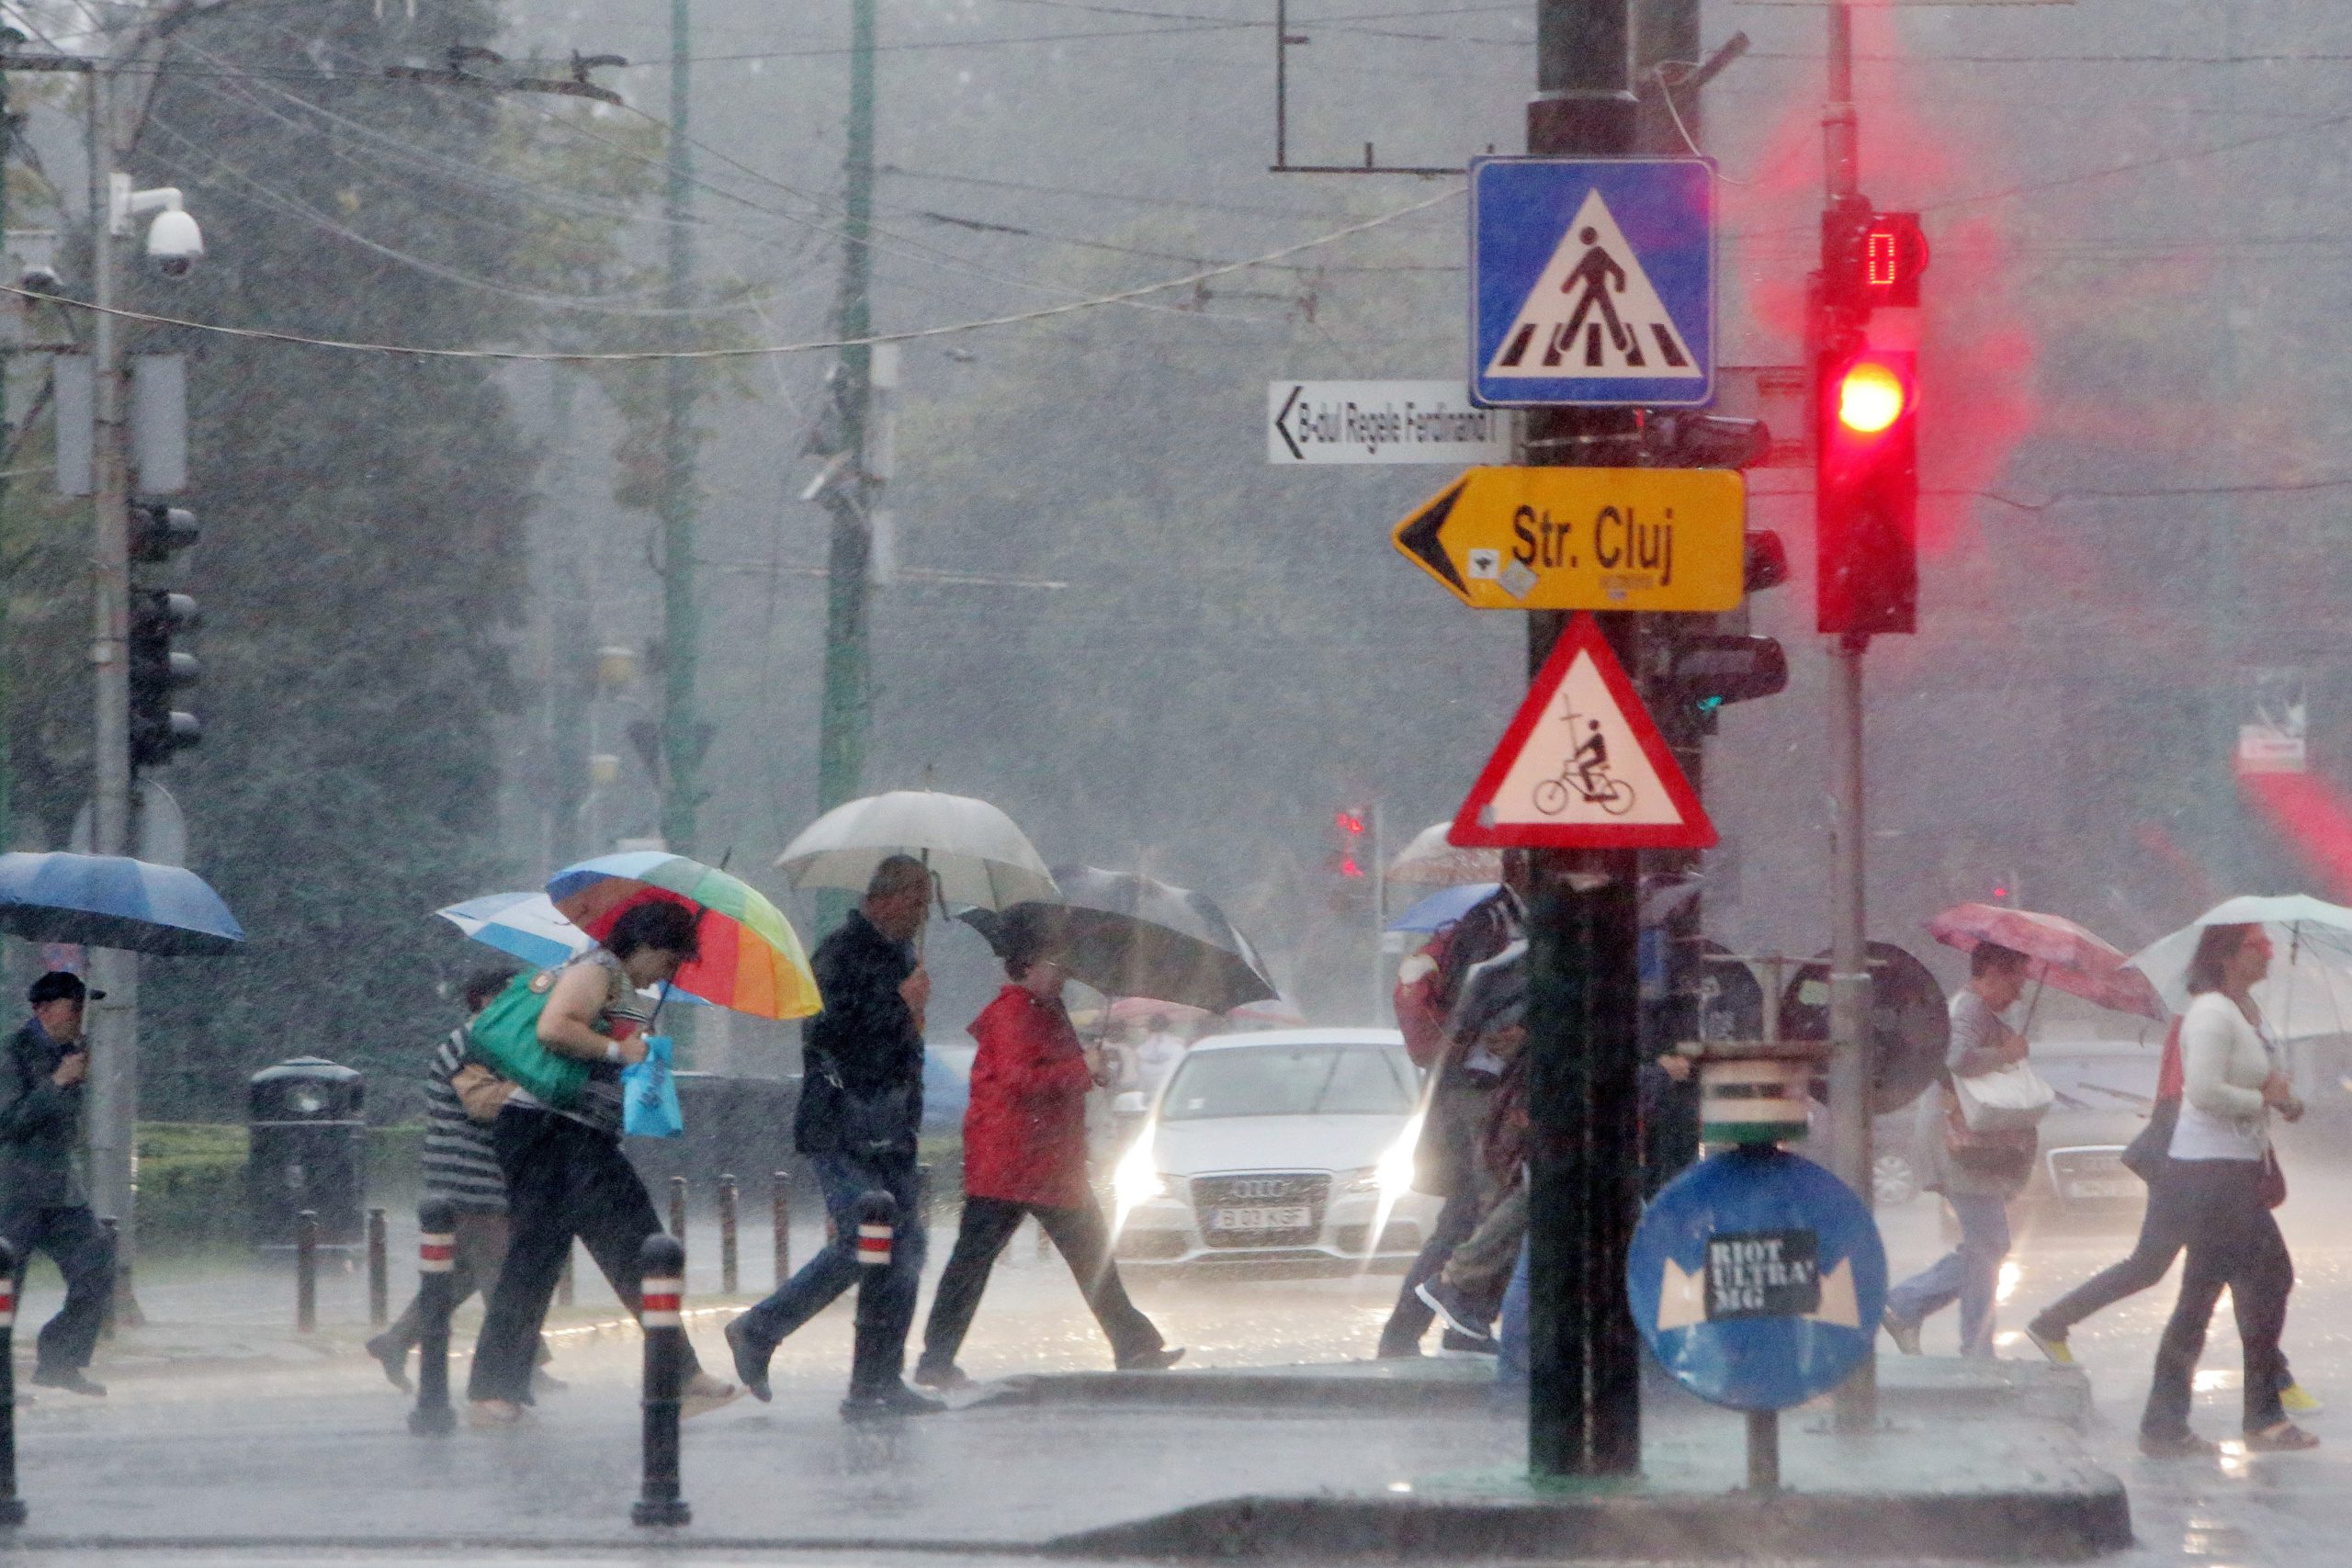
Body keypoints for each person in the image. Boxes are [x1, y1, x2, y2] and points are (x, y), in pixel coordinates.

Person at [465, 901, 736, 1427]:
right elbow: (554, 1028)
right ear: (650, 946)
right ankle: (492, 1390)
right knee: (543, 1257)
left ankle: (680, 1376)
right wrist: (620, 1054)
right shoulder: (597, 970)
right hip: (549, 1131)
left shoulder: (619, 984)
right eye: (669, 961)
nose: (666, 974)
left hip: (579, 1134)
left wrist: (636, 1054)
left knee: (636, 1251)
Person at [913, 914, 1182, 1388]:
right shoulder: (1015, 1013)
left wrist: (1087, 1070)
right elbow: (1021, 1081)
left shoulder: (1043, 1008)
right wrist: (1081, 1068)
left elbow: (1048, 1073)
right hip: (1016, 1162)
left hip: (1037, 1160)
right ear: (1029, 966)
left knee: (1010, 1259)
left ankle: (1134, 1344)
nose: (1065, 976)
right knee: (993, 1262)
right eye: (1057, 966)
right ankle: (1133, 1345)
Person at [727, 855, 944, 1419]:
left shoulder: (903, 956)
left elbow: (898, 1049)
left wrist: (909, 1022)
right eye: (917, 905)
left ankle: (876, 1382)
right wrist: (901, 1007)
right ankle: (759, 1329)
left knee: (904, 1250)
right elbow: (827, 1031)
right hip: (843, 1122)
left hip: (892, 1127)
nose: (921, 919)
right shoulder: (839, 954)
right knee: (862, 1238)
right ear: (887, 897)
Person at [2023, 1015, 2317, 1416]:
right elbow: (2195, 1091)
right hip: (2185, 1162)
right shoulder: (2202, 1020)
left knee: (2170, 1268)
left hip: (2202, 1164)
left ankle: (2054, 1324)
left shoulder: (2227, 1020)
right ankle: (2270, 1388)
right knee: (2234, 1273)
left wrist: (2276, 1094)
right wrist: (2260, 1089)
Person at [2138, 923, 2316, 1456]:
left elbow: (2258, 1084)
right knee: (2266, 1277)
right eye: (2254, 946)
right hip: (2210, 1174)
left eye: (2265, 946)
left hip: (2231, 1170)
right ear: (2227, 956)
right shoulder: (2211, 1012)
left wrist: (2283, 1100)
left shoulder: (2244, 1015)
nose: (2266, 954)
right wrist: (2262, 1099)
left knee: (2203, 1296)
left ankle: (2167, 1423)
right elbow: (2204, 1092)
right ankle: (2259, 1416)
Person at [368, 966, 563, 1393]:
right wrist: (540, 1087)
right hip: (472, 1178)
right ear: (485, 1000)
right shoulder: (476, 1041)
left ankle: (396, 1341)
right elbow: (483, 1105)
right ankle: (523, 1366)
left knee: (459, 1277)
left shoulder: (496, 1041)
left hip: (480, 1174)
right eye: (514, 995)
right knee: (503, 1276)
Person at [1882, 942, 2036, 1359]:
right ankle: (1918, 1308)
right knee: (1989, 1245)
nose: (2020, 993)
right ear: (1992, 973)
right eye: (2017, 980)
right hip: (1960, 1146)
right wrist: (2005, 1053)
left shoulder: (1977, 1011)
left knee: (1987, 1246)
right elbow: (1955, 1058)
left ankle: (1953, 1330)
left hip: (1966, 1146)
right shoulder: (1968, 1009)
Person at [0, 973, 115, 1395]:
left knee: (96, 1264)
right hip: (14, 1190)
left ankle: (61, 1361)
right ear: (43, 1008)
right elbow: (6, 1122)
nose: (80, 1016)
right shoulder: (13, 1054)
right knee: (5, 1287)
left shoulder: (72, 1052)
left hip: (62, 1189)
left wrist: (73, 1076)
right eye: (73, 1006)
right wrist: (57, 1083)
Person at [1130, 1014, 1188, 1101]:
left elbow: (1139, 1082)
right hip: (1174, 1097)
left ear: (1149, 1028)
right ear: (1169, 1027)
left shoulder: (1140, 1052)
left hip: (1149, 1100)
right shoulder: (1179, 1048)